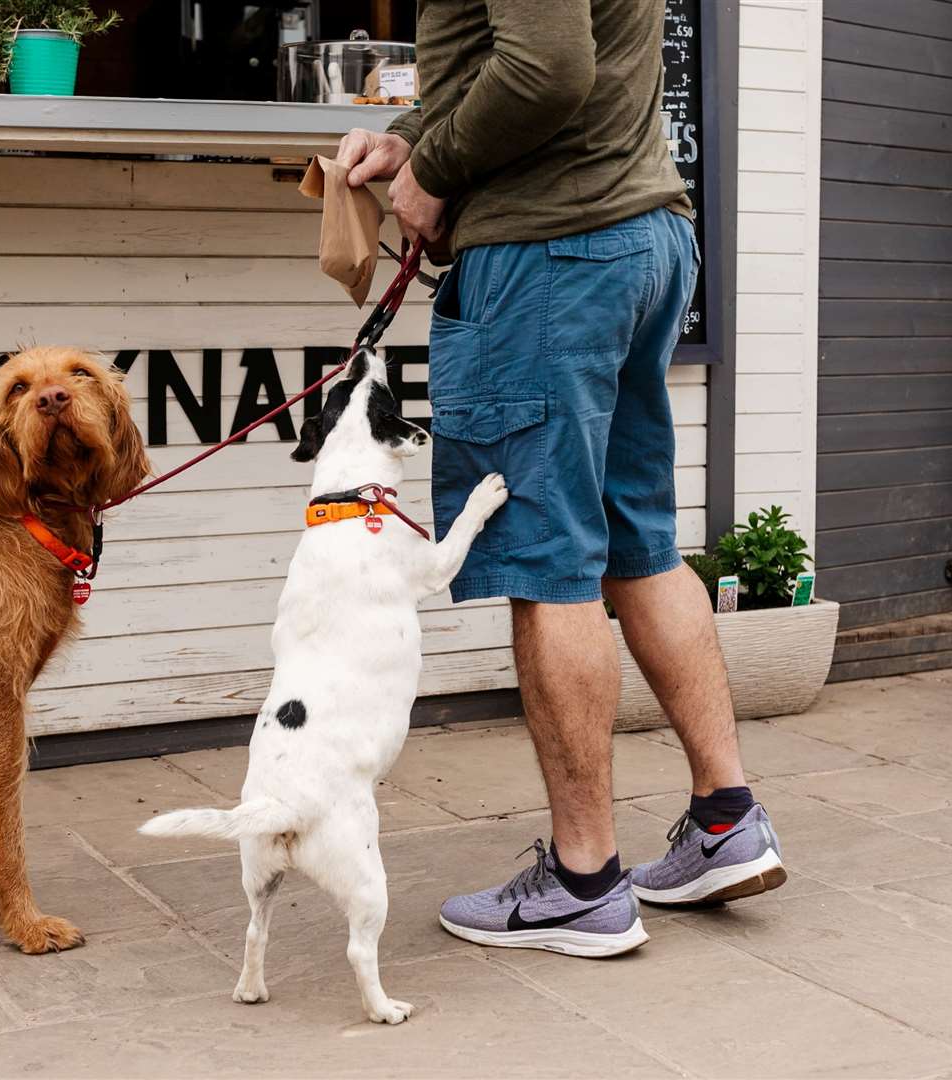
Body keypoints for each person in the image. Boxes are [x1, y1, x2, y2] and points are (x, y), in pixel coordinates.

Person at [334, 0, 786, 958]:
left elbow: (544, 69)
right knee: (635, 543)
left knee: (545, 561)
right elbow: (524, 54)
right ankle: (724, 819)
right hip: (634, 235)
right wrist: (409, 135)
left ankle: (584, 881)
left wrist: (430, 171)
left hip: (550, 254)